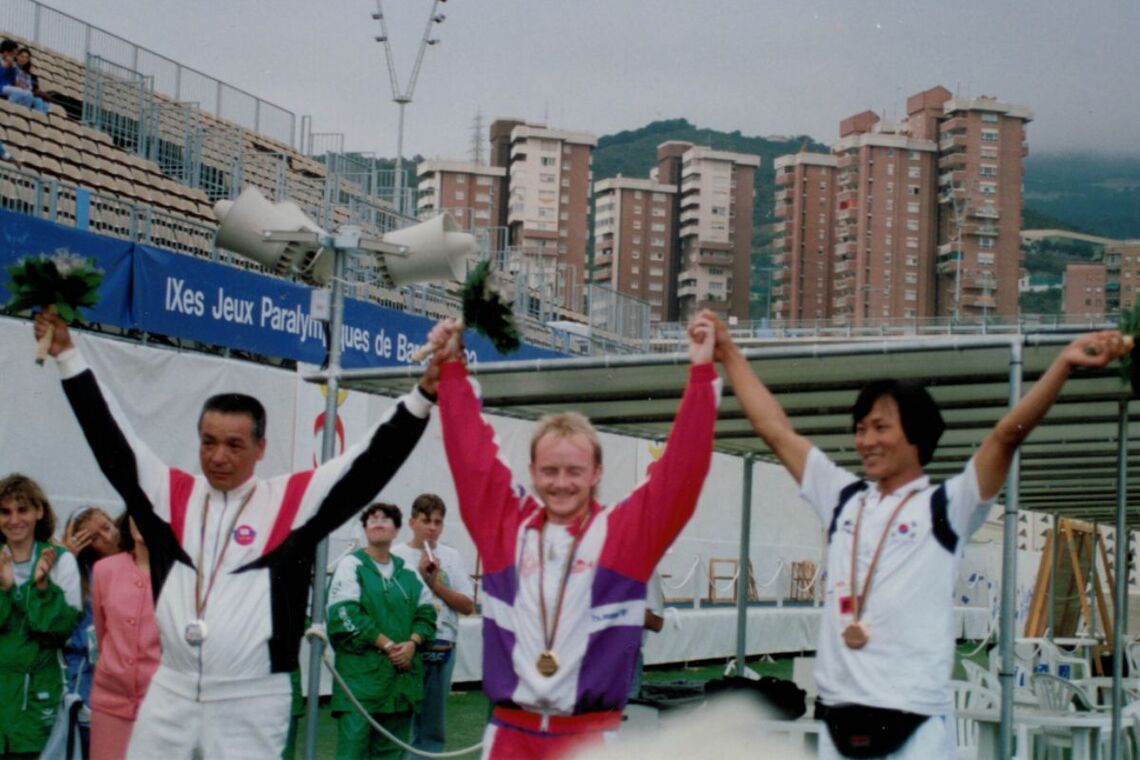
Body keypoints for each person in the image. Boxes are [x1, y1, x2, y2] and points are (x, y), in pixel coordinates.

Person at [710, 314, 1131, 759]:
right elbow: (776, 431)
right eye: (860, 428)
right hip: (837, 719)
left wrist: (1063, 365)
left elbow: (1006, 436)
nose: (866, 440)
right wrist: (730, 353)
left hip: (913, 725)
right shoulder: (842, 498)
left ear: (916, 435)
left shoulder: (946, 507)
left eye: (880, 426)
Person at [34, 310, 439, 759]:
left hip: (250, 697)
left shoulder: (289, 502)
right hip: (171, 688)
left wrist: (422, 398)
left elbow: (367, 464)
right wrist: (69, 357)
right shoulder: (172, 497)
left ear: (260, 448)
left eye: (234, 444)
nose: (218, 456)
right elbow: (113, 442)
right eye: (208, 442)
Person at [425, 312, 719, 759]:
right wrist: (451, 367)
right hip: (509, 733)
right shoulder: (505, 528)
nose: (561, 483)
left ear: (596, 473)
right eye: (550, 471)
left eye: (574, 471)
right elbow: (470, 454)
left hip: (590, 738)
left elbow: (680, 476)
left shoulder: (623, 536)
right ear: (532, 473)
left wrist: (701, 376)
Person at [327, 502, 437, 760]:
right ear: (364, 528)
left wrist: (412, 643)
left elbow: (428, 615)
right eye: (372, 519)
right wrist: (387, 645)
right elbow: (344, 615)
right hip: (360, 684)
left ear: (397, 530)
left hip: (400, 684)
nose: (378, 523)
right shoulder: (351, 565)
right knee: (351, 753)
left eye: (386, 519)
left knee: (391, 754)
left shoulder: (408, 571)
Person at [0, 473, 83, 757]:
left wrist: (41, 588)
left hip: (38, 695)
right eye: (5, 512)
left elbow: (60, 631)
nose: (14, 520)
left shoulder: (61, 561)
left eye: (22, 509)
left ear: (39, 511)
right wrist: (5, 589)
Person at [391, 492, 475, 754]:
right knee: (397, 719)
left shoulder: (451, 556)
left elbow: (468, 606)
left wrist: (434, 582)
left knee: (431, 724)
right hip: (404, 648)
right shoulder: (396, 556)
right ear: (412, 522)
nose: (432, 528)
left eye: (438, 522)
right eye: (426, 520)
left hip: (441, 646)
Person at [89, 513, 160, 760]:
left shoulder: (183, 574)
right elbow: (102, 634)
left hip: (163, 706)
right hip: (110, 704)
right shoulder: (104, 570)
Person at [60, 505, 122, 758]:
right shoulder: (80, 578)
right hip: (86, 687)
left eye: (107, 528)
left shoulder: (141, 565)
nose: (107, 538)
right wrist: (65, 560)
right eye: (94, 537)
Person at [628, 569, 664, 700]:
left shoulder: (646, 569)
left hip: (626, 658)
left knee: (628, 714)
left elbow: (656, 622)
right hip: (591, 656)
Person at [0, 39, 48, 114]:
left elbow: (14, 81)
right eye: (13, 54)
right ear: (6, 53)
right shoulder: (5, 64)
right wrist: (6, 67)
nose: (15, 57)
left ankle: (23, 114)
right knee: (22, 92)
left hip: (7, 88)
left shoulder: (12, 66)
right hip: (1, 87)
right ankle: (8, 108)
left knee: (29, 94)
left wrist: (11, 68)